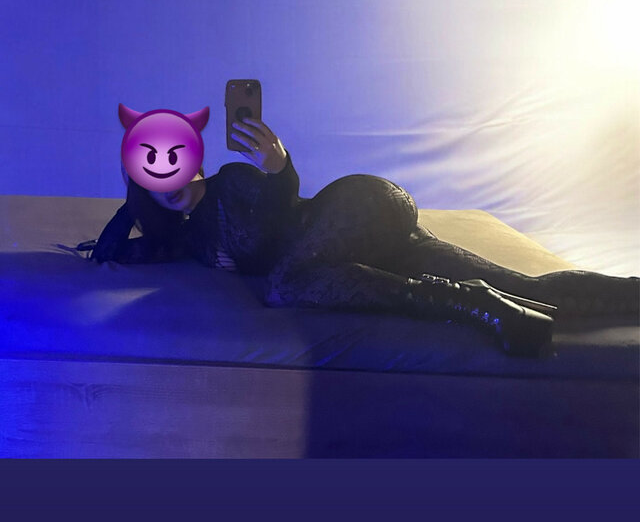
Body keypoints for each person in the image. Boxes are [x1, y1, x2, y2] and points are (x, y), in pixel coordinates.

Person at [78, 118, 639, 359]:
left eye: (174, 165)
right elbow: (117, 250)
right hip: (369, 252)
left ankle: (460, 302)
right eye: (151, 177)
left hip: (358, 209)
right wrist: (131, 205)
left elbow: (277, 207)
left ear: (196, 162)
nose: (167, 182)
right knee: (529, 289)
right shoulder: (185, 236)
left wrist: (279, 166)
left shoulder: (233, 181)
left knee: (283, 284)